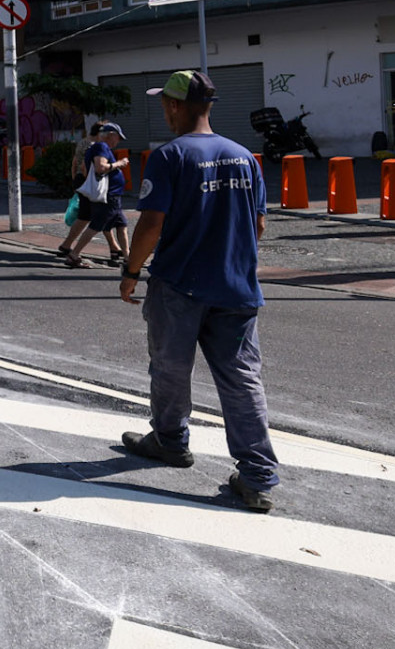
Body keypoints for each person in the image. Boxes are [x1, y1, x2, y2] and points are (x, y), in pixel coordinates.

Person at [119, 70, 279, 514]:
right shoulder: (245, 156)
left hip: (180, 286)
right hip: (237, 288)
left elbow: (152, 224)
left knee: (170, 369)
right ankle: (258, 477)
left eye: (164, 105)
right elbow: (259, 225)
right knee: (242, 381)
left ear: (174, 106)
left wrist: (131, 271)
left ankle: (170, 440)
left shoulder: (170, 156)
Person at [66, 123, 129, 268]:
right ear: (111, 134)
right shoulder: (101, 147)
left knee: (122, 224)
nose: (118, 142)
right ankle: (73, 255)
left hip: (113, 195)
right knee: (95, 226)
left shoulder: (95, 148)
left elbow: (84, 168)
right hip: (109, 196)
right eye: (118, 138)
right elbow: (101, 168)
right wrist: (119, 163)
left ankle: (127, 257)